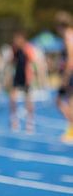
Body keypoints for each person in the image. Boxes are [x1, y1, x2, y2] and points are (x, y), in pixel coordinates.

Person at [8, 31, 36, 133]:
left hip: (26, 77)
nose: (16, 42)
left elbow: (32, 62)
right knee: (12, 98)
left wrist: (32, 76)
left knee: (28, 100)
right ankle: (14, 119)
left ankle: (30, 122)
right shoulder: (14, 49)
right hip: (17, 76)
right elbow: (12, 62)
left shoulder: (27, 48)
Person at [55, 11, 73, 143]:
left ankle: (71, 130)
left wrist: (65, 77)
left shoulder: (68, 36)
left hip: (70, 74)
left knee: (61, 102)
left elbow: (71, 58)